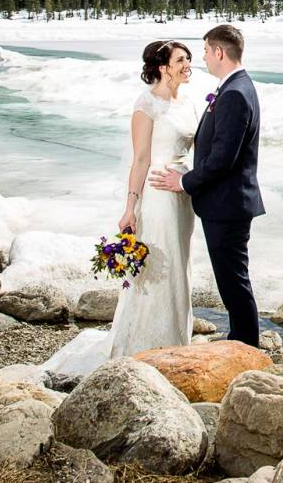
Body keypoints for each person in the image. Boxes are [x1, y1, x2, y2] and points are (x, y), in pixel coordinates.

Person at [41, 39, 199, 375]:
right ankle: (144, 345)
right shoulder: (146, 105)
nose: (188, 65)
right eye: (181, 60)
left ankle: (177, 341)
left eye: (189, 59)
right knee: (159, 264)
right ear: (162, 66)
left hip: (182, 195)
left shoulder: (189, 102)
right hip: (157, 196)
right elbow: (140, 159)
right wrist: (130, 208)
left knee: (180, 264)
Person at [149, 23, 264, 346]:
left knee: (234, 282)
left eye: (204, 52)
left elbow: (222, 159)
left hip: (228, 205)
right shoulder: (234, 88)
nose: (202, 59)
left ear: (219, 52)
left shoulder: (236, 94)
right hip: (226, 203)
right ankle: (241, 341)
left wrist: (184, 181)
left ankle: (245, 346)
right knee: (231, 280)